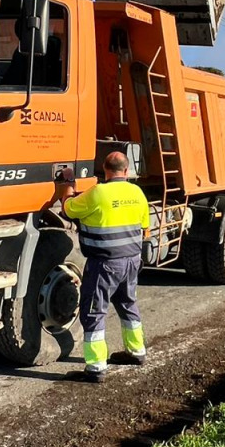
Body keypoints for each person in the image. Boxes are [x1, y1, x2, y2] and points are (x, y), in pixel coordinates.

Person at [59, 151, 151, 383]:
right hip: (132, 261)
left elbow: (68, 209)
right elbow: (144, 227)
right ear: (126, 170)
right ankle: (136, 351)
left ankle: (96, 367)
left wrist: (67, 185)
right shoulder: (137, 193)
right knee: (128, 303)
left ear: (105, 169)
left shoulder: (97, 193)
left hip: (105, 264)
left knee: (94, 311)